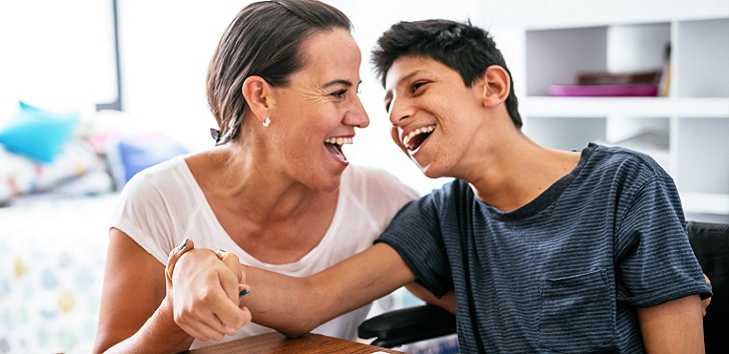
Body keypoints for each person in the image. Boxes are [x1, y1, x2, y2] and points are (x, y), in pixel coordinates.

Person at [169, 19, 714, 353]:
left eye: (419, 86)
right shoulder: (441, 215)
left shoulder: (626, 184)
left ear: (492, 86)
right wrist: (206, 266)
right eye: (386, 102)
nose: (395, 115)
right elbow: (310, 300)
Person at [91, 1, 422, 353]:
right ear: (261, 97)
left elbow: (468, 297)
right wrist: (174, 314)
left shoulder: (381, 198)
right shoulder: (158, 199)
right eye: (338, 93)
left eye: (357, 92)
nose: (361, 117)